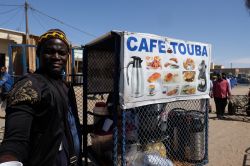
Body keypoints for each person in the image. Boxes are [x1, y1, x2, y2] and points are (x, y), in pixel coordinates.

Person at [0, 29, 82, 166]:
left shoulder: (65, 86)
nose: (56, 56)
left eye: (61, 53)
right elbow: (15, 140)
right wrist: (9, 159)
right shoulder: (30, 85)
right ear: (38, 53)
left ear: (67, 56)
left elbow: (67, 123)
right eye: (50, 51)